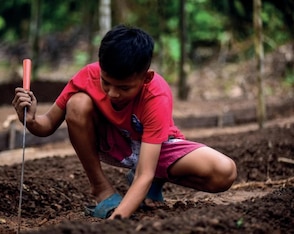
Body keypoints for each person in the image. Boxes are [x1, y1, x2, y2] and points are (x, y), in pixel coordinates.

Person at [12, 24, 237, 220]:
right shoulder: (87, 76)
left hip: (156, 148)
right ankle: (102, 191)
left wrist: (117, 221)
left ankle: (153, 184)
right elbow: (47, 125)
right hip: (114, 144)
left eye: (124, 88)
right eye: (106, 82)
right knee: (77, 103)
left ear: (145, 78)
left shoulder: (156, 95)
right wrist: (29, 118)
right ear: (100, 67)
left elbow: (145, 172)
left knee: (224, 172)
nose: (112, 94)